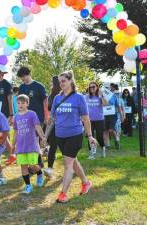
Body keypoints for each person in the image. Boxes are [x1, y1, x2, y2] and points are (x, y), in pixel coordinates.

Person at [46, 71, 95, 203]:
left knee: (67, 164)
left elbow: (85, 118)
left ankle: (63, 194)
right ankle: (86, 182)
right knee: (73, 161)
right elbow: (52, 118)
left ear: (70, 81)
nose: (61, 83)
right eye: (59, 81)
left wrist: (90, 136)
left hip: (74, 134)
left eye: (64, 81)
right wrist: (44, 135)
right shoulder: (57, 98)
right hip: (60, 135)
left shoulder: (79, 98)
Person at [16, 66, 48, 176]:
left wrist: (47, 116)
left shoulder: (39, 86)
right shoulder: (21, 87)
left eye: (23, 76)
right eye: (21, 78)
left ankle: (37, 166)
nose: (22, 79)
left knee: (35, 143)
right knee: (31, 143)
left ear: (28, 74)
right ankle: (37, 166)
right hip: (25, 119)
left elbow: (45, 102)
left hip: (38, 118)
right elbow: (19, 103)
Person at [13, 94, 46, 194]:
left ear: (27, 103)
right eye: (18, 103)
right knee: (23, 166)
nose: (20, 105)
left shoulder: (32, 114)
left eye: (23, 103)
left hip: (31, 145)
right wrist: (13, 144)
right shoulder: (16, 117)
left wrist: (43, 137)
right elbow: (15, 131)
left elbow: (37, 126)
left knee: (32, 165)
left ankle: (40, 173)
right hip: (21, 146)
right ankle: (28, 185)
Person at [85, 81, 108, 159]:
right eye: (90, 87)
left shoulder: (100, 96)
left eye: (93, 87)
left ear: (97, 87)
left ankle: (102, 148)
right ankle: (91, 153)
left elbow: (105, 104)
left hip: (99, 119)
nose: (91, 88)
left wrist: (101, 96)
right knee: (90, 136)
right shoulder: (86, 96)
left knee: (99, 136)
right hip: (89, 120)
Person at [44, 76, 61, 178]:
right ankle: (50, 169)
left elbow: (50, 113)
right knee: (64, 149)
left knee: (53, 147)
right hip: (59, 124)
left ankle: (50, 168)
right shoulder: (54, 96)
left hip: (55, 124)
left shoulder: (51, 95)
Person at [103, 83, 125, 150]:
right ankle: (107, 145)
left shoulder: (114, 96)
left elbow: (118, 107)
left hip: (113, 115)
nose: (107, 89)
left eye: (108, 88)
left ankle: (116, 140)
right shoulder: (101, 96)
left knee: (111, 130)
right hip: (104, 115)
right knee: (105, 130)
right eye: (105, 88)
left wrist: (121, 116)